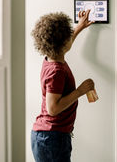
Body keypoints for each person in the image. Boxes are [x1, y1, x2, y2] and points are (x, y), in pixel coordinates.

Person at [30, 10, 95, 162]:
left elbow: (67, 42)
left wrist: (79, 27)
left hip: (49, 136)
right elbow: (53, 109)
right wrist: (80, 91)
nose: (69, 39)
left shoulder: (50, 58)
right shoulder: (56, 71)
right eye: (68, 37)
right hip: (52, 138)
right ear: (62, 44)